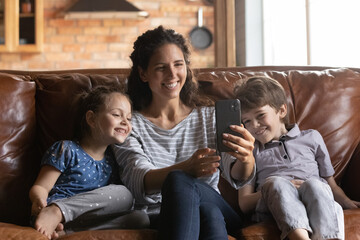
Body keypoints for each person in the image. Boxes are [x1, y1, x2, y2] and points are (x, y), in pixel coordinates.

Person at [112, 25, 256, 240]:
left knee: (189, 189)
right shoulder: (129, 123)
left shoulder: (209, 118)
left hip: (211, 201)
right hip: (160, 216)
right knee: (200, 204)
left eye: (178, 65)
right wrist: (187, 168)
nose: (172, 74)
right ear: (143, 73)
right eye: (161, 67)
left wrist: (247, 158)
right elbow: (138, 180)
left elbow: (237, 176)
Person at [235, 76, 360, 240]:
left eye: (260, 115)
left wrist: (346, 201)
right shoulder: (251, 152)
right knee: (276, 182)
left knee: (315, 185)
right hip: (275, 206)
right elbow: (244, 203)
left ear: (282, 110)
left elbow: (331, 185)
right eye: (247, 121)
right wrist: (280, 186)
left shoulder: (312, 137)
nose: (255, 126)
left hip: (316, 201)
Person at [29, 85, 149, 239]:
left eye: (129, 118)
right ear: (91, 119)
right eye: (117, 115)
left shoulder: (113, 160)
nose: (125, 122)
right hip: (50, 213)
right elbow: (40, 186)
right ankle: (58, 211)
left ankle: (67, 232)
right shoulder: (67, 149)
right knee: (124, 193)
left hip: (84, 222)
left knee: (140, 217)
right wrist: (39, 201)